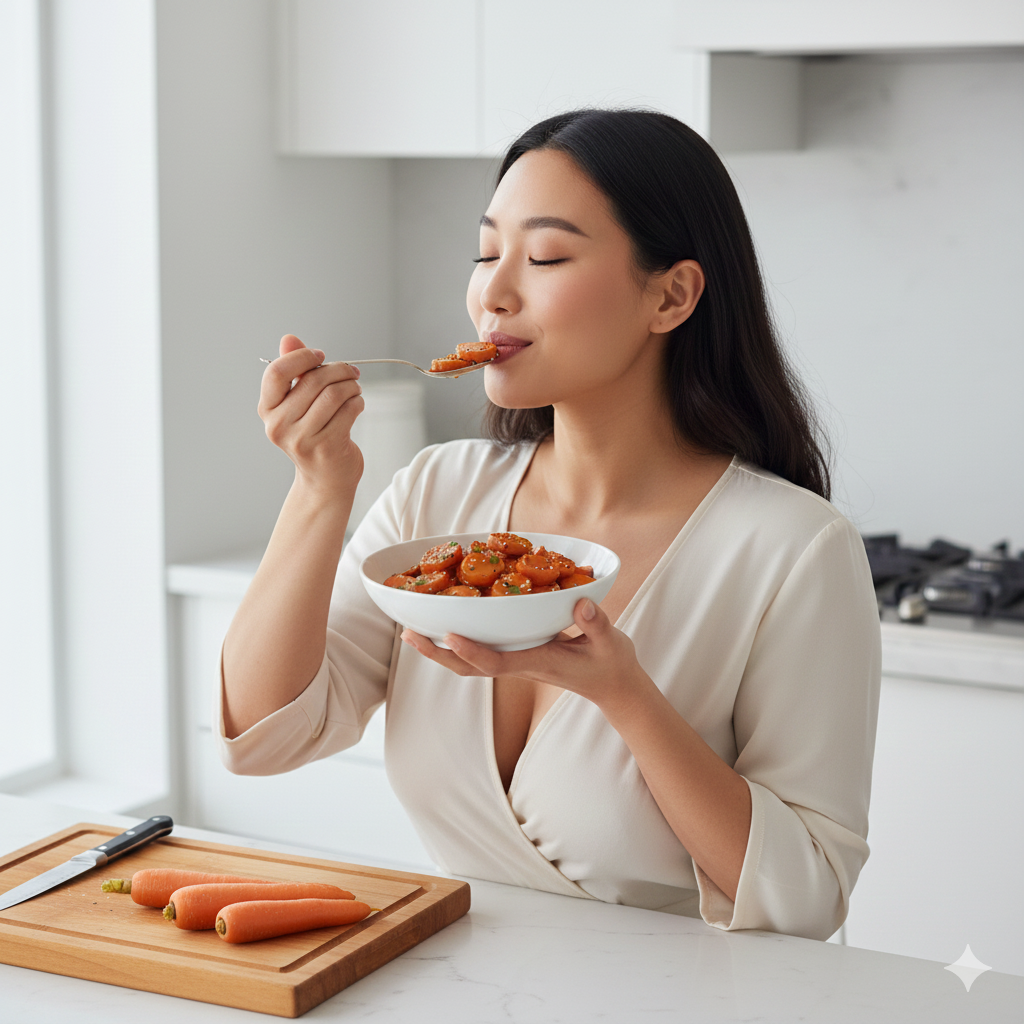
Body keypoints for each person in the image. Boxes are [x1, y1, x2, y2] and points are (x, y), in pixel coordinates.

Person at [219, 109, 881, 940]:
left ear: (671, 295)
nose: (492, 293)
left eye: (545, 256)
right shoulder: (438, 497)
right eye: (487, 251)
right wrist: (320, 488)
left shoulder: (794, 549)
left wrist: (623, 694)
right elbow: (260, 738)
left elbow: (807, 898)